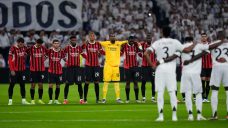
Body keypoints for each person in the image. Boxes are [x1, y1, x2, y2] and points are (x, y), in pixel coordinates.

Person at [144, 26, 195, 121]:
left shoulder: (157, 42)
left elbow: (146, 53)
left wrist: (152, 65)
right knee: (172, 93)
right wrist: (194, 43)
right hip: (170, 70)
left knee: (160, 93)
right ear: (170, 33)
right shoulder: (175, 42)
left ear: (162, 32)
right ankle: (174, 116)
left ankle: (160, 116)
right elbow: (187, 50)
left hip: (160, 69)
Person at [180, 37, 222, 121]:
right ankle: (199, 115)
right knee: (198, 94)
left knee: (188, 94)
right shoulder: (198, 46)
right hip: (195, 74)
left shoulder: (181, 46)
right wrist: (220, 41)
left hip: (185, 73)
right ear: (192, 40)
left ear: (185, 41)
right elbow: (210, 47)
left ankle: (190, 115)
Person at [100, 33, 128, 103]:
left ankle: (118, 98)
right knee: (106, 82)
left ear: (115, 37)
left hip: (116, 67)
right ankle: (103, 99)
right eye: (111, 36)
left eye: (114, 36)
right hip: (108, 66)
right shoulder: (106, 43)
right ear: (109, 38)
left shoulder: (118, 43)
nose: (113, 38)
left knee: (116, 82)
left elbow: (127, 41)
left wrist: (135, 42)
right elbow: (97, 43)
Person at [209, 31, 228, 120]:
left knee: (215, 91)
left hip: (216, 67)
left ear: (217, 36)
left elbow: (208, 48)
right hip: (227, 67)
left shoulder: (213, 44)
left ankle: (214, 114)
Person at [63, 35, 86, 104]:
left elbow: (83, 55)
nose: (74, 41)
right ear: (70, 41)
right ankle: (65, 99)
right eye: (72, 40)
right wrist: (65, 61)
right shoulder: (67, 48)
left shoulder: (79, 47)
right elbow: (62, 54)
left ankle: (81, 100)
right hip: (69, 68)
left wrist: (89, 58)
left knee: (79, 84)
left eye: (75, 40)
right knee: (67, 84)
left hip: (77, 68)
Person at [82, 32, 105, 103]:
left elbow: (102, 52)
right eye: (91, 36)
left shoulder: (98, 44)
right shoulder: (86, 44)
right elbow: (80, 51)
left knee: (96, 82)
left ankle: (97, 99)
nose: (92, 37)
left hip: (96, 66)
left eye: (93, 36)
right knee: (87, 82)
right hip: (88, 66)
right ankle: (85, 99)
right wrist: (86, 57)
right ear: (89, 37)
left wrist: (109, 52)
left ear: (95, 37)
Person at [8, 38, 30, 105]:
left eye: (22, 44)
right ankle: (10, 100)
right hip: (14, 70)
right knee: (12, 85)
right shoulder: (12, 48)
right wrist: (11, 69)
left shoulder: (24, 48)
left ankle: (23, 100)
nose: (21, 45)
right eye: (20, 44)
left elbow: (29, 51)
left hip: (22, 70)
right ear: (17, 43)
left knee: (22, 85)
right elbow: (10, 59)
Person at [121, 36, 141, 103]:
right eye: (130, 40)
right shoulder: (124, 46)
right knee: (127, 83)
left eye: (133, 40)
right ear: (128, 40)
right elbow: (120, 53)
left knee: (136, 82)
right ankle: (127, 99)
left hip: (135, 67)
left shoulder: (136, 45)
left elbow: (140, 53)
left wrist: (140, 49)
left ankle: (137, 99)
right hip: (127, 67)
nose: (132, 41)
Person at [28, 39, 48, 104]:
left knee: (40, 85)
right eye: (39, 44)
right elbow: (25, 53)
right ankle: (32, 100)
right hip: (33, 70)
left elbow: (48, 53)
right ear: (36, 43)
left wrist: (44, 58)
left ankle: (40, 99)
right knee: (33, 85)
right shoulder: (31, 48)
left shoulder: (43, 48)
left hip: (41, 69)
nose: (39, 46)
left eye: (41, 44)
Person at [47, 40, 65, 104]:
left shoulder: (61, 51)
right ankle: (50, 100)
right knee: (50, 85)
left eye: (57, 43)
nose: (56, 44)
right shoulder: (49, 51)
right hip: (51, 71)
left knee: (58, 86)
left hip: (59, 71)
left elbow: (64, 59)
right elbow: (45, 57)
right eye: (55, 43)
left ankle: (56, 100)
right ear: (53, 44)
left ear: (59, 44)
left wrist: (67, 62)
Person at [140, 33, 156, 103]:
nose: (148, 39)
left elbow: (157, 54)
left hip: (152, 66)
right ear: (146, 39)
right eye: (147, 38)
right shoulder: (142, 45)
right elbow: (138, 52)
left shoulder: (155, 45)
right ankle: (143, 97)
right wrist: (142, 56)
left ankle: (153, 97)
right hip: (144, 66)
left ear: (151, 39)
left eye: (149, 38)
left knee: (153, 82)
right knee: (143, 81)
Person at [200, 33, 213, 103]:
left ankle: (206, 97)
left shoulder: (210, 45)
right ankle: (202, 97)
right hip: (202, 66)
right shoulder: (199, 46)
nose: (204, 38)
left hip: (209, 66)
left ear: (207, 37)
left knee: (208, 82)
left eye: (205, 37)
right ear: (201, 38)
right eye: (202, 37)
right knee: (202, 81)